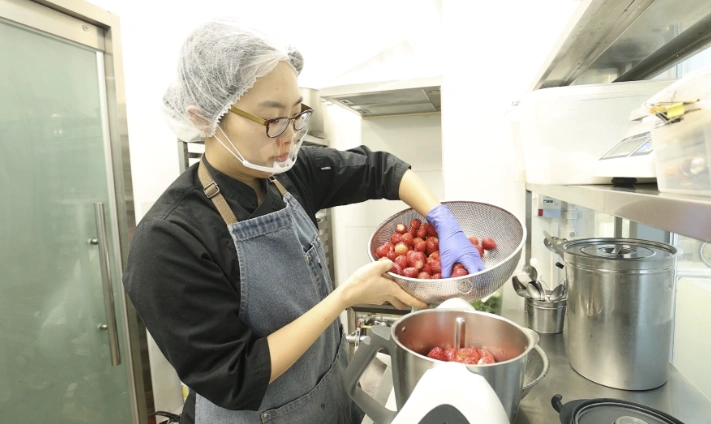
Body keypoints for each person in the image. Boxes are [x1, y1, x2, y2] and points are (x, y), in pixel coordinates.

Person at [122, 18, 485, 424]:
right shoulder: (169, 240)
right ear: (205, 117)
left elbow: (383, 170)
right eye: (272, 119)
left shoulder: (285, 175)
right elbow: (236, 376)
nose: (288, 137)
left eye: (297, 115)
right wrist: (344, 298)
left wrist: (442, 218)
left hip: (331, 401)